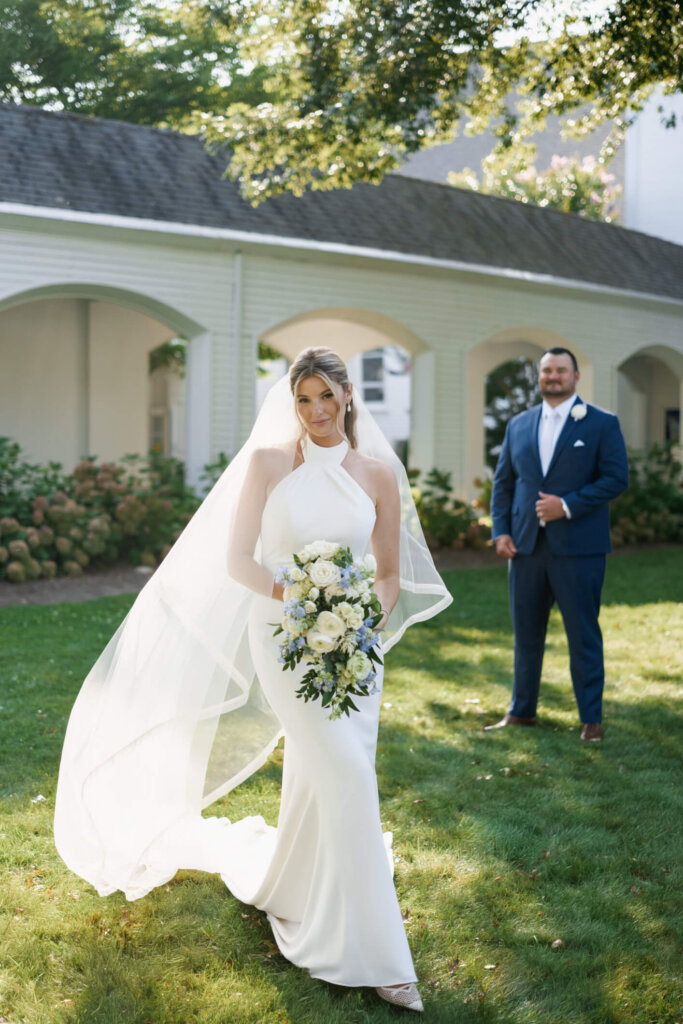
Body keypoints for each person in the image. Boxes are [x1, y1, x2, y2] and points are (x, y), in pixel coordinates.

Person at [54, 347, 452, 1012]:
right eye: (305, 399)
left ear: (349, 396)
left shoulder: (378, 474)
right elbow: (238, 559)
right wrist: (300, 601)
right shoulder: (270, 464)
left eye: (328, 397)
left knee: (330, 773)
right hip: (284, 636)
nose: (318, 412)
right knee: (349, 778)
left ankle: (298, 887)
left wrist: (358, 622)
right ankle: (383, 958)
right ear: (291, 403)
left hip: (354, 650)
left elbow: (385, 574)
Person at [487, 347, 628, 741]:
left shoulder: (601, 423)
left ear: (576, 377)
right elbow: (504, 483)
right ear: (540, 376)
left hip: (580, 548)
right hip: (526, 548)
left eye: (561, 371)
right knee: (526, 635)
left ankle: (591, 719)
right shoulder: (519, 424)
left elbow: (617, 478)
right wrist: (501, 531)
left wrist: (566, 505)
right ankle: (521, 712)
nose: (553, 376)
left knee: (583, 633)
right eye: (547, 371)